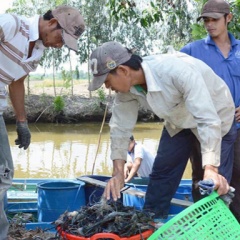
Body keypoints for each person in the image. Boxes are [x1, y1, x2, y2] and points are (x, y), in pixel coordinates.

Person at [88, 41, 237, 221]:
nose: (107, 87)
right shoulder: (127, 91)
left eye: (106, 81)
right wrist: (118, 173)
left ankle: (212, 228)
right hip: (179, 121)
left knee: (206, 184)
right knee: (161, 174)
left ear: (123, 71)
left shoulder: (176, 71)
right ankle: (149, 223)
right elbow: (120, 128)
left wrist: (211, 168)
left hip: (216, 118)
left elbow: (207, 119)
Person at [0, 5, 85, 239]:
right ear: (51, 23)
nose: (60, 45)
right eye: (61, 38)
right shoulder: (11, 25)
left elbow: (16, 82)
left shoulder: (37, 52)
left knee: (4, 174)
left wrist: (22, 122)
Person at [180, 0, 240, 222]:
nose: (209, 24)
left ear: (229, 18)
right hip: (205, 131)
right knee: (204, 179)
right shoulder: (191, 51)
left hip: (238, 129)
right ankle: (208, 226)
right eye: (206, 20)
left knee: (237, 179)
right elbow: (175, 83)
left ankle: (234, 228)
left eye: (214, 19)